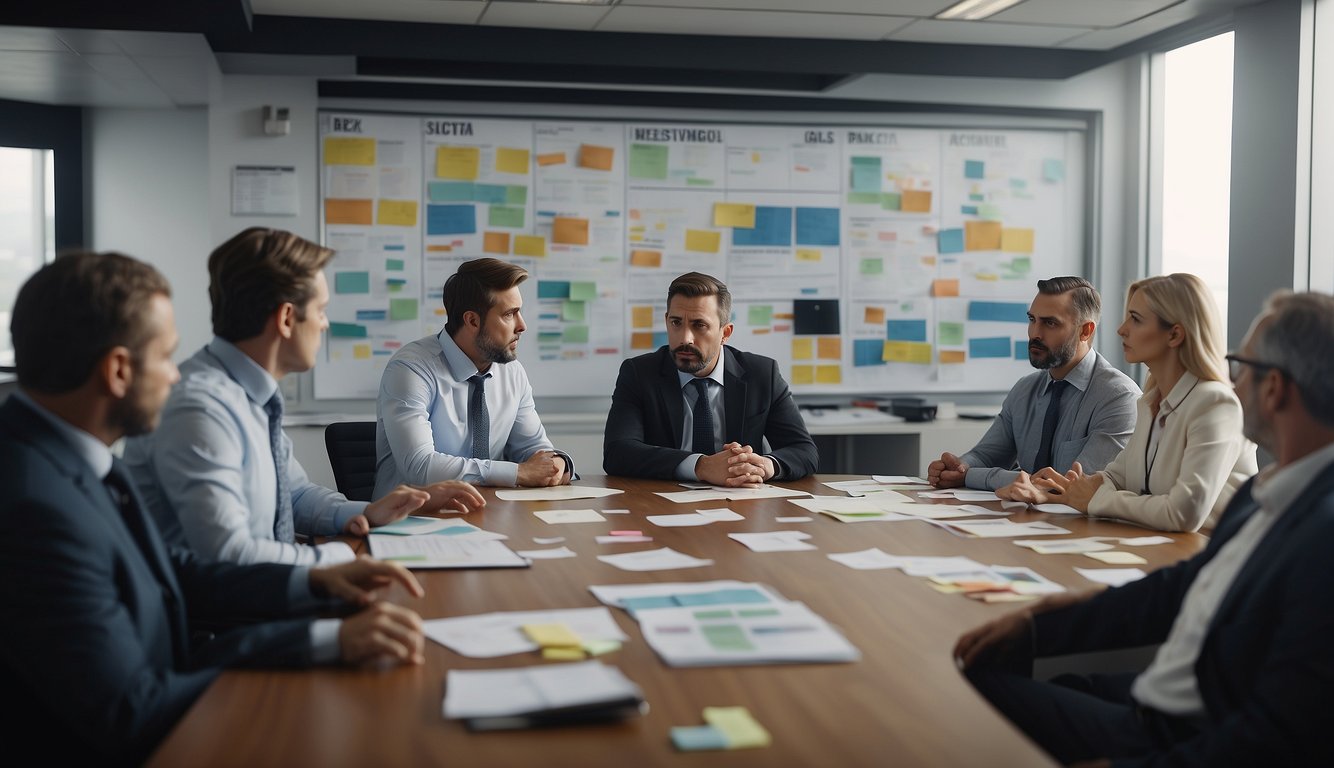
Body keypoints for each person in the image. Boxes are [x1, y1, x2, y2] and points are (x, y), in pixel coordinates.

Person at [0, 251, 430, 766]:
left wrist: (313, 587)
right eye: (164, 357)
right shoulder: (34, 506)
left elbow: (168, 574)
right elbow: (131, 707)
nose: (175, 377)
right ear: (117, 370)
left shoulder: (74, 457)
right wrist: (326, 640)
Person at [954, 291, 1334, 767]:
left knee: (973, 682)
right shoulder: (1268, 493)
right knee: (1010, 664)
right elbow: (1174, 589)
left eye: (1241, 365)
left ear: (1275, 388)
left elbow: (1276, 736)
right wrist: (1037, 624)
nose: (1233, 384)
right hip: (1155, 701)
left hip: (1171, 735)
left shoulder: (1321, 536)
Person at [123, 228, 485, 566]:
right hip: (224, 622)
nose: (325, 324)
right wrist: (341, 560)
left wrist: (364, 513)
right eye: (321, 311)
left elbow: (292, 495)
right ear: (285, 319)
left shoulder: (251, 394)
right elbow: (228, 554)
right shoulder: (199, 408)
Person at [1009, 273, 1257, 532]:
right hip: (1162, 546)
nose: (1121, 329)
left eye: (1136, 319)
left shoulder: (1216, 404)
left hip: (1214, 556)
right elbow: (1117, 477)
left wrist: (1096, 499)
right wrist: (1061, 491)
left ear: (1174, 335)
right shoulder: (1151, 401)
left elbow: (1184, 513)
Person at [375, 257, 573, 494]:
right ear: (472, 320)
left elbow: (533, 447)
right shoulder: (410, 369)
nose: (522, 326)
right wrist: (518, 473)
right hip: (413, 518)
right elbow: (420, 467)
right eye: (510, 314)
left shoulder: (511, 371)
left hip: (491, 514)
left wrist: (557, 463)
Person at [603, 272, 818, 485]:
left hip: (741, 502)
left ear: (725, 333)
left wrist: (764, 466)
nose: (685, 338)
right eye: (676, 323)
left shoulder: (761, 374)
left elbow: (804, 451)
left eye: (699, 325)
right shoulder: (639, 373)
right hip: (663, 501)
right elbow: (617, 452)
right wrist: (700, 466)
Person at [928, 276, 1140, 491]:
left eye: (1050, 323)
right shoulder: (1024, 389)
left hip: (1080, 523)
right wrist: (960, 468)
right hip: (1024, 520)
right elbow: (987, 455)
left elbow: (1068, 488)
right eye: (1032, 320)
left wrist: (973, 477)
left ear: (1085, 331)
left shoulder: (1119, 397)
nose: (1035, 334)